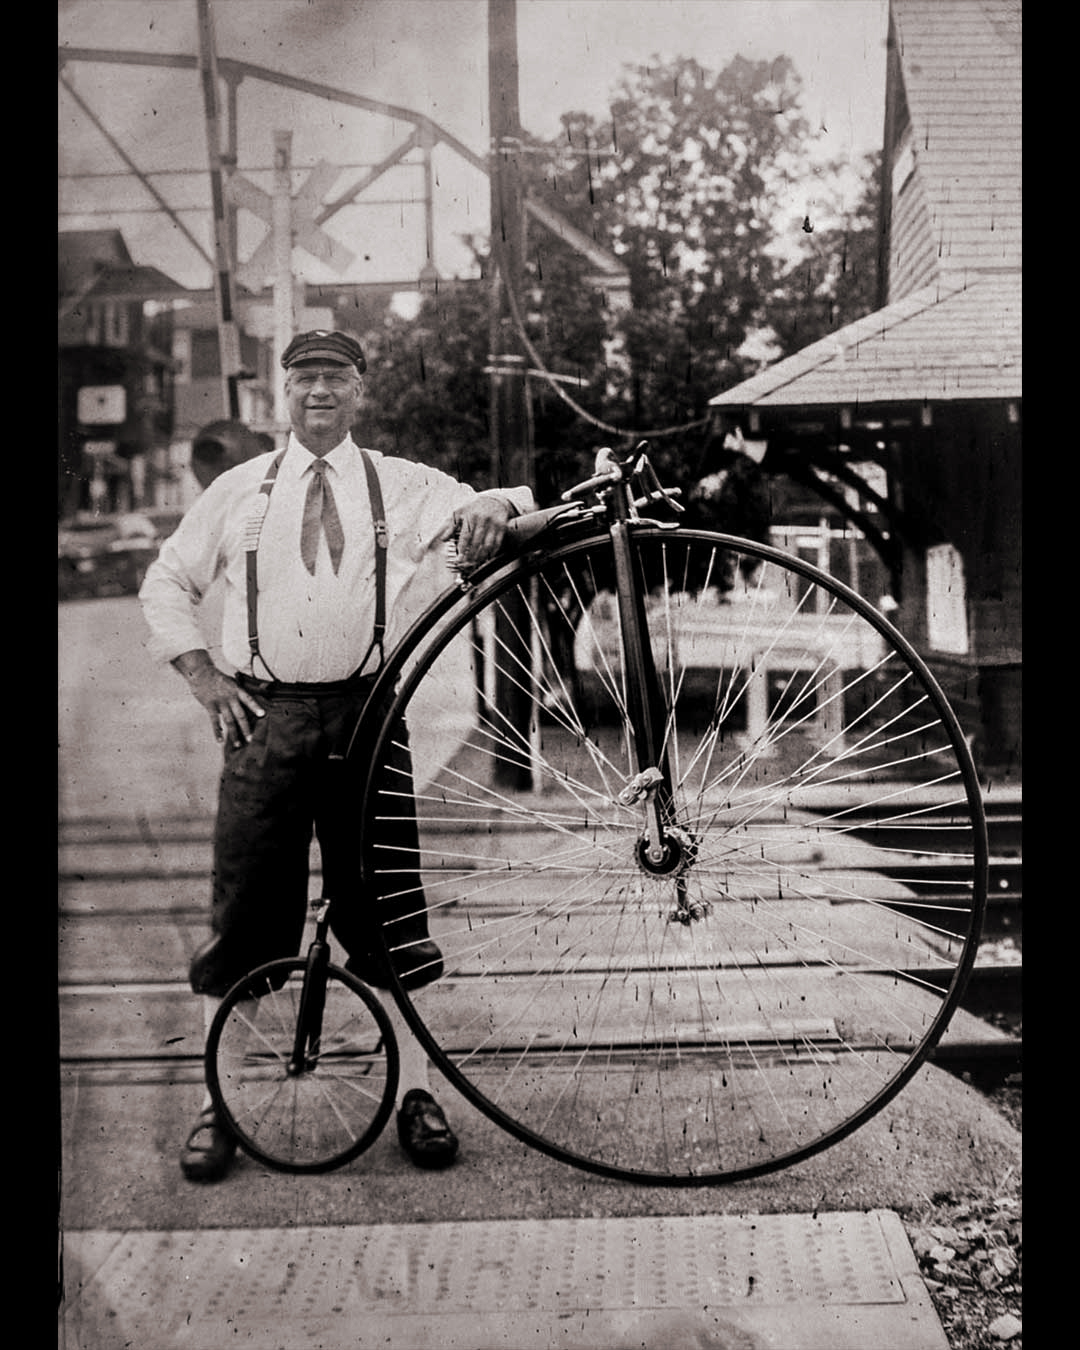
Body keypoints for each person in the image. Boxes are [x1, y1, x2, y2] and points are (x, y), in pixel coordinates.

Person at [139, 329, 534, 1182]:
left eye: (336, 378)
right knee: (243, 914)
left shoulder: (400, 483)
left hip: (368, 718)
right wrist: (205, 678)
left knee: (387, 912)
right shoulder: (239, 490)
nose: (319, 392)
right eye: (304, 378)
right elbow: (165, 581)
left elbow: (494, 501)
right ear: (282, 396)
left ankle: (414, 1096)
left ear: (360, 392)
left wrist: (496, 504)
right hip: (264, 722)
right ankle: (216, 1104)